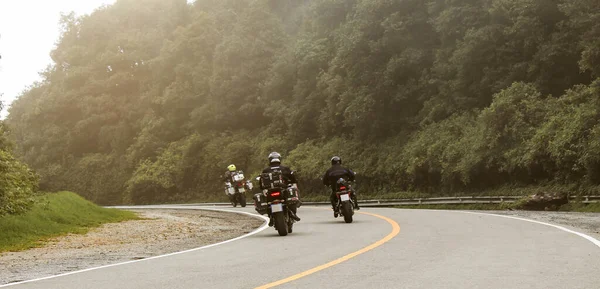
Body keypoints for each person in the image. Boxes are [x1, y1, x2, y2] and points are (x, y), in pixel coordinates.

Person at [260, 152, 301, 226]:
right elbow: (293, 179)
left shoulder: (266, 170)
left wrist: (263, 189)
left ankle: (270, 217)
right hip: (282, 190)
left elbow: (261, 182)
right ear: (279, 159)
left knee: (268, 203)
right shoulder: (285, 168)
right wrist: (293, 182)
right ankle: (293, 214)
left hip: (270, 192)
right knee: (291, 199)